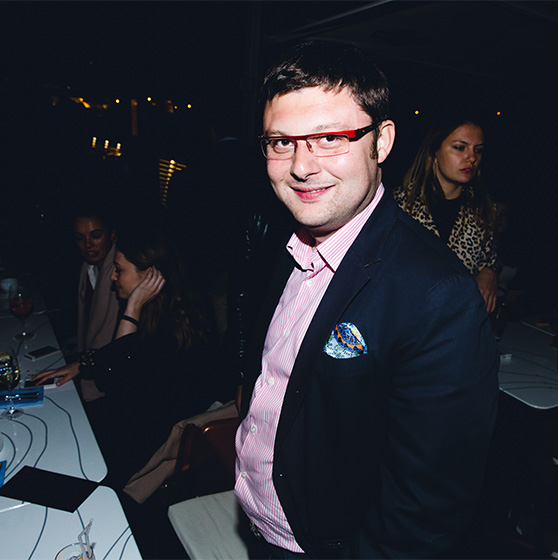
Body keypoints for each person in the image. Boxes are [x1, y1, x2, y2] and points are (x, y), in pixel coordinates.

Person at [235, 40, 499, 558]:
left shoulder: (438, 296)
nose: (301, 166)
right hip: (258, 523)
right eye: (281, 142)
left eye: (329, 138)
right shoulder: (287, 241)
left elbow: (425, 509)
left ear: (382, 142)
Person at [34, 223, 236, 489]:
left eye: (119, 270)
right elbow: (128, 356)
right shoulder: (158, 308)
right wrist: (82, 363)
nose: (112, 277)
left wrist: (132, 308)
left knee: (60, 439)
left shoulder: (172, 325)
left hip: (152, 441)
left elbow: (116, 384)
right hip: (137, 423)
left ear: (149, 275)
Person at [394, 116, 499, 313]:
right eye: (460, 147)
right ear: (435, 151)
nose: (472, 158)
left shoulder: (484, 211)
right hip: (403, 319)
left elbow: (489, 259)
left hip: (456, 322)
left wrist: (490, 271)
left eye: (478, 150)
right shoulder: (399, 206)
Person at [71, 206, 120, 402]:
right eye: (79, 238)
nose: (88, 245)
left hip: (114, 373)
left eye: (96, 236)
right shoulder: (87, 269)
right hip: (93, 361)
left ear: (112, 234)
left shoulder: (120, 273)